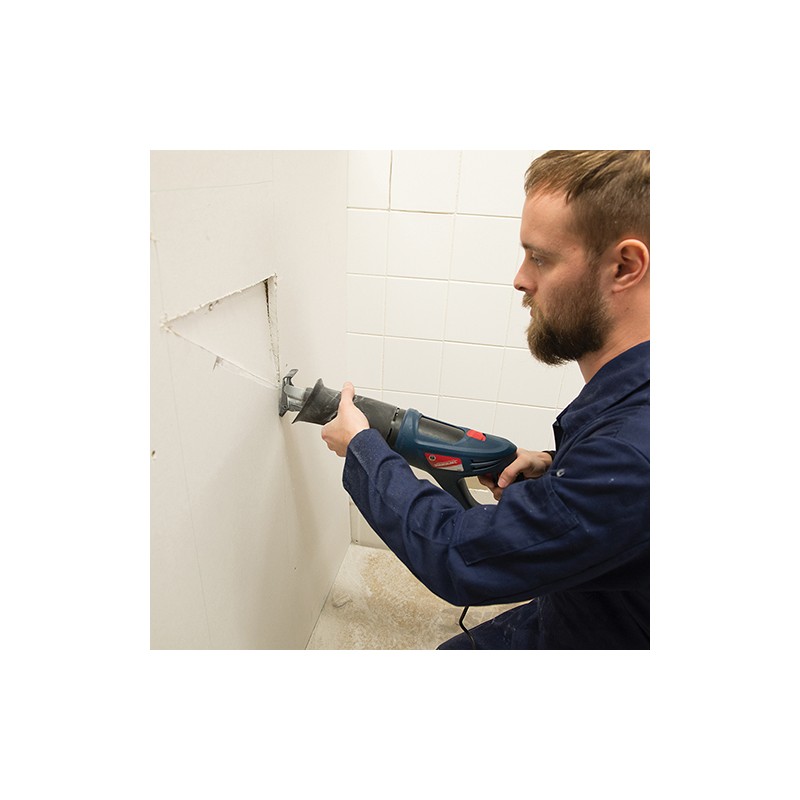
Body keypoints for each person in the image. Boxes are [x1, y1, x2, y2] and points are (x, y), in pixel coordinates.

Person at [321, 150, 650, 649]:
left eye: (540, 257)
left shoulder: (632, 457)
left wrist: (362, 448)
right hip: (587, 600)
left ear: (625, 266)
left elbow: (459, 556)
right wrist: (556, 467)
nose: (520, 278)